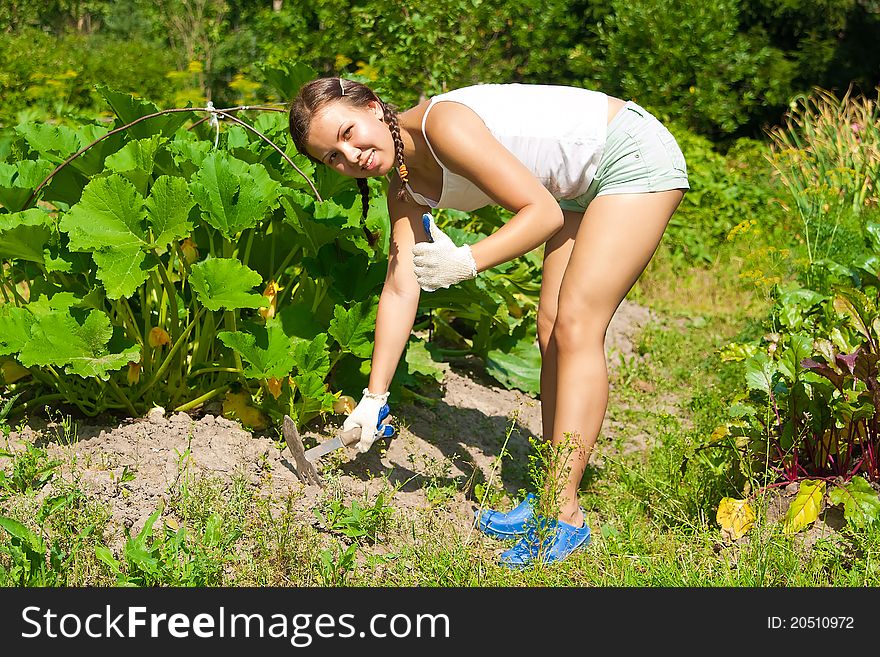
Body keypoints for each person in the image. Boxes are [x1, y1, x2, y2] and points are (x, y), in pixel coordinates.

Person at [289, 77, 688, 567]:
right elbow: (400, 285)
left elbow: (539, 213)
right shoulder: (404, 187)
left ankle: (564, 517)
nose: (351, 156)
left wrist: (467, 260)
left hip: (627, 154)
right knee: (551, 329)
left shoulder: (444, 125)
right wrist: (374, 397)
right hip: (575, 187)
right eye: (332, 156)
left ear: (372, 107)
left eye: (349, 132)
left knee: (577, 325)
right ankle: (552, 495)